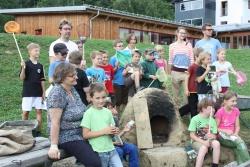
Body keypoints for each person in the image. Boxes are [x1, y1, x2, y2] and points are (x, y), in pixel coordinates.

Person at [47, 63, 101, 167]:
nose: (76, 77)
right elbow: (54, 122)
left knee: (106, 151)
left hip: (82, 132)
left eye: (75, 74)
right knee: (95, 163)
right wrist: (53, 146)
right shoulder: (57, 93)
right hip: (67, 136)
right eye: (72, 76)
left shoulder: (72, 89)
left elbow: (82, 111)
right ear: (62, 78)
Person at [81, 83, 123, 167]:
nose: (101, 100)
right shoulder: (88, 113)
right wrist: (104, 131)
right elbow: (85, 135)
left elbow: (111, 133)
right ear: (91, 98)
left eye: (103, 97)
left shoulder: (108, 112)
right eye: (97, 98)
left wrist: (114, 131)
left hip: (111, 149)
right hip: (98, 151)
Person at [215, 91, 250, 165]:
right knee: (240, 143)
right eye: (232, 101)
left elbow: (237, 126)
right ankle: (248, 163)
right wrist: (225, 130)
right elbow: (215, 128)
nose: (235, 103)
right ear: (225, 101)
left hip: (232, 136)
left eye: (236, 101)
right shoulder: (220, 112)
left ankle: (241, 163)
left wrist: (236, 133)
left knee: (238, 146)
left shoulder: (236, 111)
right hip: (222, 136)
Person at [19, 43, 46, 136]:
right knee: (26, 112)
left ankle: (38, 131)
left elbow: (42, 80)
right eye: (36, 50)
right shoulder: (25, 64)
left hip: (38, 93)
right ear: (30, 52)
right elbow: (22, 78)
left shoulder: (40, 66)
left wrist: (43, 92)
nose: (38, 52)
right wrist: (23, 68)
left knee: (39, 111)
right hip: (28, 93)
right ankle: (24, 130)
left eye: (38, 50)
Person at [104, 100, 140, 167]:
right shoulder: (101, 122)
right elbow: (101, 141)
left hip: (117, 144)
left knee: (133, 148)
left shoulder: (114, 119)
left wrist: (124, 130)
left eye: (112, 107)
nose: (113, 109)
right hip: (108, 146)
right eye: (110, 108)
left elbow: (116, 136)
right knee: (119, 151)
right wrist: (115, 143)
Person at [188, 98, 220, 167]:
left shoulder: (212, 120)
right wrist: (204, 142)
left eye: (213, 108)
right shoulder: (195, 119)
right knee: (203, 148)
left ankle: (215, 165)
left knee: (217, 143)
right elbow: (192, 135)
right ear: (203, 108)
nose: (213, 110)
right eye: (211, 108)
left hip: (209, 141)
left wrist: (212, 136)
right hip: (197, 141)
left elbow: (215, 135)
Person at [169, 27, 194, 107]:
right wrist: (169, 73)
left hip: (186, 73)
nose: (183, 34)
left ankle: (185, 113)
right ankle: (176, 112)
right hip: (175, 72)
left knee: (186, 95)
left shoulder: (188, 45)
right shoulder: (172, 45)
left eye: (184, 33)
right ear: (177, 33)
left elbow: (191, 58)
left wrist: (191, 71)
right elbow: (170, 60)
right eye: (181, 33)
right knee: (175, 95)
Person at [179, 47, 204, 118]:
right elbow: (187, 77)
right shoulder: (192, 66)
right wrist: (186, 89)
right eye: (201, 57)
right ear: (196, 57)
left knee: (193, 105)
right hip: (192, 90)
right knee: (193, 108)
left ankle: (179, 113)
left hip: (200, 90)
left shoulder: (203, 67)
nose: (202, 59)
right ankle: (194, 123)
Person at [110, 39, 129, 110]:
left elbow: (129, 69)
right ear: (114, 47)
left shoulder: (126, 57)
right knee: (117, 101)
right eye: (119, 46)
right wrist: (116, 66)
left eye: (122, 46)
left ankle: (122, 115)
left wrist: (128, 66)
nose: (121, 47)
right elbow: (111, 73)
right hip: (117, 82)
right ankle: (117, 115)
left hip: (126, 81)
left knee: (125, 101)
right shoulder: (113, 58)